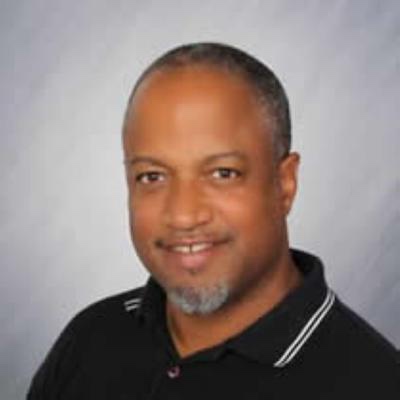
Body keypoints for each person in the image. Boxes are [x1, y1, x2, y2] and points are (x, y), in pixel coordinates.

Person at [27, 42, 399, 399]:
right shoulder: (91, 339)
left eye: (223, 173)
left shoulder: (375, 385)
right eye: (152, 176)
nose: (184, 215)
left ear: (285, 184)